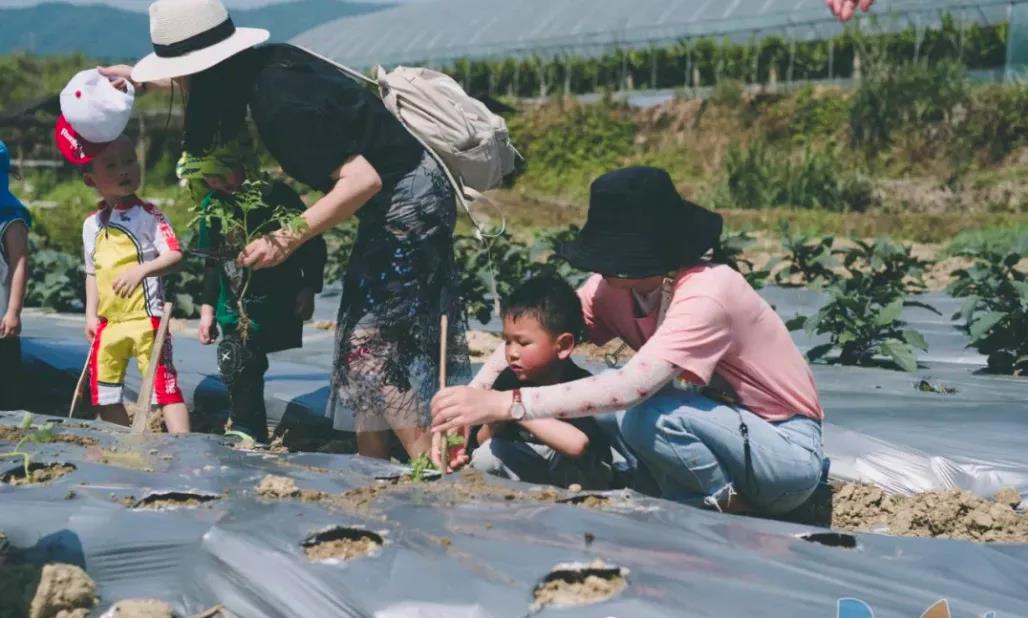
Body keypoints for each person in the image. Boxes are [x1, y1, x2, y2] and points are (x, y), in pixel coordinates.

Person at [99, 0, 469, 460]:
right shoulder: (263, 66)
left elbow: (363, 181)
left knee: (368, 346)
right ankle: (372, 468)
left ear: (208, 70)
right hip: (400, 197)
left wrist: (284, 238)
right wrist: (134, 75)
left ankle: (430, 465)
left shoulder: (280, 106)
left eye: (187, 77)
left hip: (409, 202)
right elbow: (193, 74)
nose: (185, 89)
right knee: (360, 335)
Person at [433, 167, 825, 515]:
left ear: (635, 257)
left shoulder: (707, 292)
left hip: (783, 455)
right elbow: (541, 334)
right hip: (723, 434)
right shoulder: (616, 288)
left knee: (645, 413)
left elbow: (629, 387)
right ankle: (665, 491)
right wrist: (468, 405)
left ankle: (725, 504)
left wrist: (506, 404)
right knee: (613, 407)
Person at [54, 68, 190, 431]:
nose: (124, 171)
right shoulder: (91, 225)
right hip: (109, 324)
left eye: (129, 161)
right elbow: (92, 273)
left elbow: (176, 255)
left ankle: (183, 449)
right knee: (104, 393)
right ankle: (124, 442)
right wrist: (91, 315)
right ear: (91, 180)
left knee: (165, 388)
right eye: (111, 166)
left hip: (147, 319)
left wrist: (142, 270)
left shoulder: (150, 215)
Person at [183, 147, 327, 443]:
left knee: (251, 357)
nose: (220, 185)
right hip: (234, 301)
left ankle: (253, 427)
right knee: (235, 359)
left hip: (276, 297)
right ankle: (248, 428)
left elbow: (312, 243)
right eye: (210, 179)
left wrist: (309, 286)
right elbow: (212, 262)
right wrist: (207, 309)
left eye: (224, 175)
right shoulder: (212, 206)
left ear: (244, 163)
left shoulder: (277, 197)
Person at [469, 277, 612, 489]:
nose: (512, 353)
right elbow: (482, 441)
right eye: (507, 341)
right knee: (485, 456)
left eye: (523, 343)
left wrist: (515, 408)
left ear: (563, 345)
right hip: (532, 464)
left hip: (580, 474)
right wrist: (493, 419)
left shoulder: (578, 385)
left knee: (572, 466)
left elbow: (577, 446)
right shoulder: (508, 379)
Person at [0, 141, 31, 410]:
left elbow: (19, 263)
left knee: (5, 388)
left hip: (1, 323)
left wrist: (13, 311)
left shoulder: (11, 219)